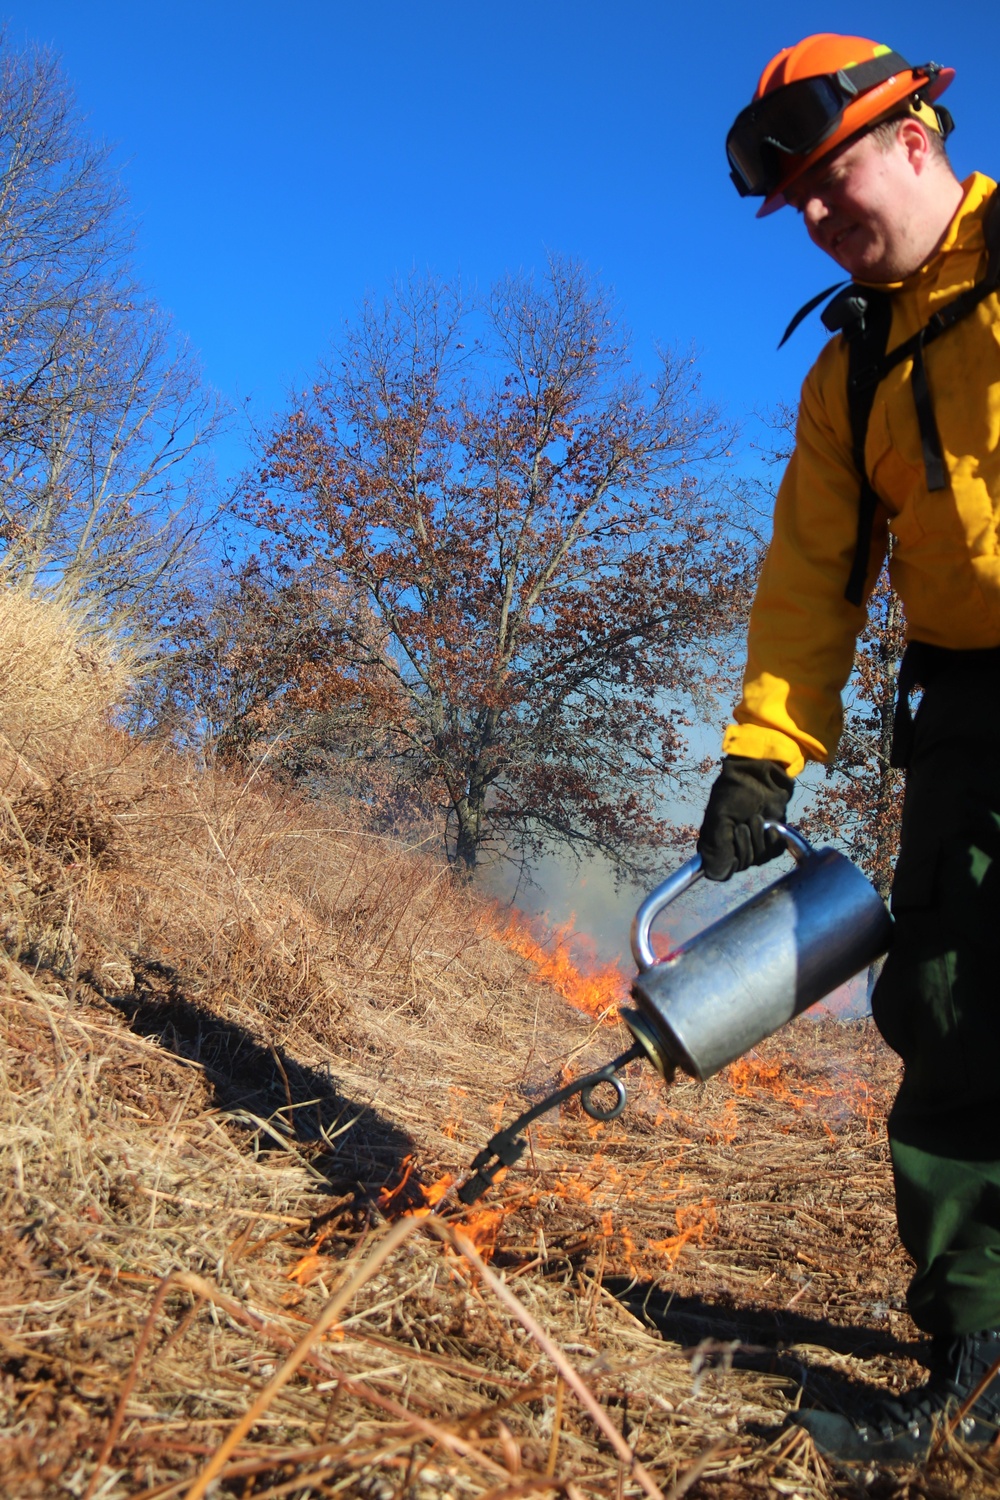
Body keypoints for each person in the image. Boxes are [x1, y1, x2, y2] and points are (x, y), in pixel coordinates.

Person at [701, 32, 1000, 1462]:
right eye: (798, 206)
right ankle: (980, 1359)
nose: (821, 220)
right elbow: (814, 574)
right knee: (945, 1010)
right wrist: (763, 754)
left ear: (921, 140)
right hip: (970, 715)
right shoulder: (853, 366)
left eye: (836, 182)